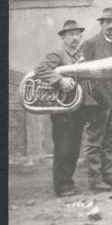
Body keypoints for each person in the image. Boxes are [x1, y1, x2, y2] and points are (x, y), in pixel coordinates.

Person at [34, 20, 96, 197]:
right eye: (70, 35)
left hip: (76, 108)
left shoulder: (79, 56)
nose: (75, 38)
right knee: (63, 148)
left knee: (74, 148)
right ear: (63, 37)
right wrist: (60, 80)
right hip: (62, 111)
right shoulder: (58, 54)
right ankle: (61, 186)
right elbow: (40, 69)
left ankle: (69, 183)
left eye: (77, 34)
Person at [80, 8, 112, 191]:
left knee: (110, 140)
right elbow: (82, 71)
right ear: (101, 24)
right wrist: (90, 96)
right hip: (98, 100)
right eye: (108, 22)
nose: (111, 26)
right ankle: (94, 178)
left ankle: (108, 175)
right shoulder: (90, 43)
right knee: (95, 139)